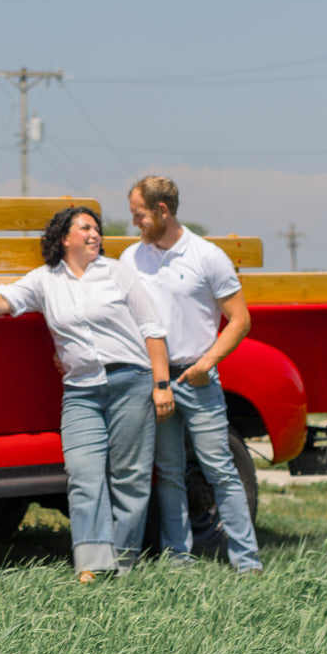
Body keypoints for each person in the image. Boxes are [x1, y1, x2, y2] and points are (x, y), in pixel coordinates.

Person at [0, 206, 172, 580]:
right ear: (63, 238)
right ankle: (92, 564)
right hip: (81, 391)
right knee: (83, 473)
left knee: (130, 478)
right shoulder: (44, 280)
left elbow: (151, 327)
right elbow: (7, 299)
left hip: (130, 383)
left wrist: (161, 384)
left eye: (97, 228)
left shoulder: (118, 272)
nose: (95, 234)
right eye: (85, 228)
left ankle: (124, 562)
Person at [122, 176, 262, 573]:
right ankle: (177, 560)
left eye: (140, 214)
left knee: (220, 469)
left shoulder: (207, 256)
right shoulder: (132, 258)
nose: (135, 223)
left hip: (197, 380)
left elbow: (239, 320)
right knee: (168, 473)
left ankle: (247, 562)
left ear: (162, 210)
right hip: (155, 379)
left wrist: (206, 364)